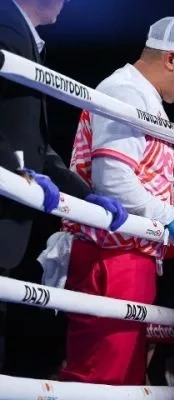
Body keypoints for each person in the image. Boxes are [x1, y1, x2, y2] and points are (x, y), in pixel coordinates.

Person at [58, 14, 174, 385]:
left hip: (127, 252)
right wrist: (170, 217)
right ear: (170, 58)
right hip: (111, 253)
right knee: (103, 377)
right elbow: (112, 182)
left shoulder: (143, 96)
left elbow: (147, 187)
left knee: (121, 375)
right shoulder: (126, 92)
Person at [0, 0, 127, 377]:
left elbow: (35, 144)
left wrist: (84, 194)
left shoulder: (23, 34)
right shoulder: (5, 25)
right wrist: (14, 170)